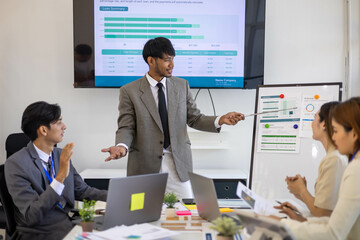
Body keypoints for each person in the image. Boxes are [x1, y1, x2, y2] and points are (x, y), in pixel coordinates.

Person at [102, 37, 245, 199]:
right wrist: (121, 146)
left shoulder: (181, 85)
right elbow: (126, 126)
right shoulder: (129, 91)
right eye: (167, 60)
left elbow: (195, 118)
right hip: (144, 167)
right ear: (151, 60)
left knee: (185, 214)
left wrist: (220, 120)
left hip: (178, 165)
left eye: (173, 59)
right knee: (141, 215)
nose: (172, 65)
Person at [5, 101, 107, 240]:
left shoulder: (60, 154)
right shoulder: (16, 164)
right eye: (59, 122)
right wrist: (59, 178)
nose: (64, 127)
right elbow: (31, 215)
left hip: (67, 224)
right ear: (43, 130)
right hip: (39, 232)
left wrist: (118, 196)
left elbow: (83, 191)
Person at [277, 97, 360, 239]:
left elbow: (331, 229)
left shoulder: (351, 167)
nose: (334, 137)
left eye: (336, 130)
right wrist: (301, 219)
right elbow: (334, 217)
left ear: (353, 134)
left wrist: (281, 223)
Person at [277, 102, 347, 219]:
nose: (312, 123)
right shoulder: (334, 157)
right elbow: (326, 208)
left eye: (314, 117)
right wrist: (301, 194)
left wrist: (302, 190)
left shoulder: (334, 159)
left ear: (323, 124)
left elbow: (322, 214)